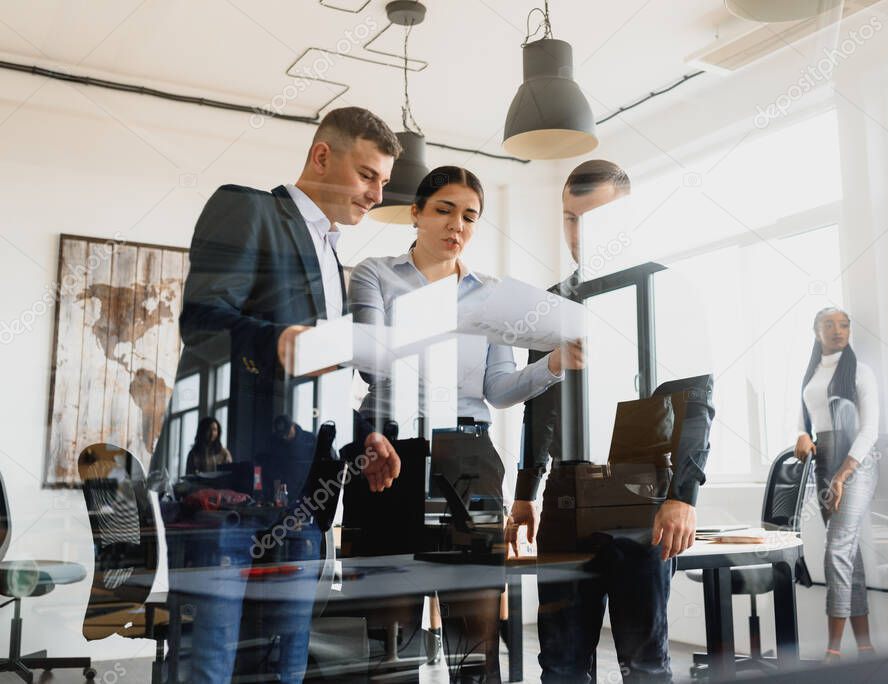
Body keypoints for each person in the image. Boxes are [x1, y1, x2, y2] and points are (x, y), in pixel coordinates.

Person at [162, 106, 404, 684]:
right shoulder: (249, 208)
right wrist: (280, 341)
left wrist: (361, 434)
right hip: (225, 489)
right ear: (323, 156)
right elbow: (203, 320)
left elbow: (320, 381)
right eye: (368, 175)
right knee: (211, 664)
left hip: (303, 494)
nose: (375, 195)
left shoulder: (334, 258)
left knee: (283, 666)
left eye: (384, 183)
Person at [349, 165, 583, 681]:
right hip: (392, 454)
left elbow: (497, 391)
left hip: (469, 459)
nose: (457, 226)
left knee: (475, 633)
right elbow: (371, 362)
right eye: (444, 210)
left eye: (470, 217)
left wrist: (551, 365)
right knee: (390, 634)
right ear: (415, 212)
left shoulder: (494, 295)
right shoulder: (374, 274)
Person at [504, 160, 714, 683]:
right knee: (559, 660)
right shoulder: (552, 303)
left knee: (643, 663)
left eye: (592, 218)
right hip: (567, 496)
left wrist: (684, 495)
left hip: (641, 492)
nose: (579, 232)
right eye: (571, 219)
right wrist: (527, 490)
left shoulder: (667, 292)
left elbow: (696, 403)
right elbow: (539, 406)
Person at [794, 306, 879, 663]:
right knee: (850, 554)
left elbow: (870, 429)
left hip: (854, 462)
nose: (838, 330)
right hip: (823, 460)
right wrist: (801, 434)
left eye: (844, 324)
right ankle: (865, 647)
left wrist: (844, 474)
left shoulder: (860, 370)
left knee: (837, 549)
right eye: (829, 324)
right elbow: (803, 415)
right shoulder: (812, 372)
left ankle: (833, 652)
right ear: (816, 331)